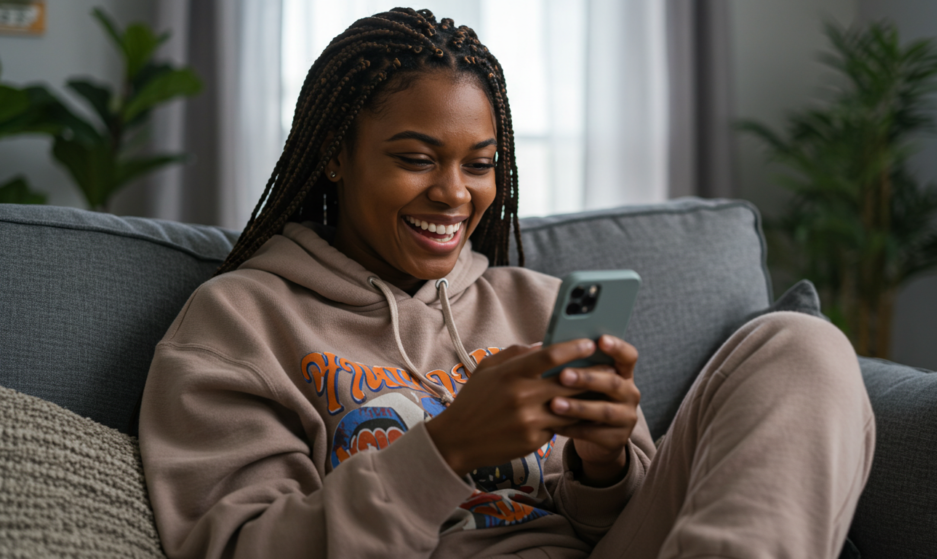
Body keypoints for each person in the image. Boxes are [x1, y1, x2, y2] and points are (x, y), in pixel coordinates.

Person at [139, 8, 875, 559]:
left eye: (480, 163)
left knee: (799, 343)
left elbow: (624, 522)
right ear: (335, 155)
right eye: (417, 157)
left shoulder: (532, 304)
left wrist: (606, 462)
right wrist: (446, 448)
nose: (455, 194)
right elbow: (239, 546)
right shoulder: (240, 323)